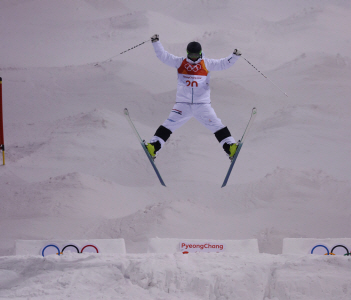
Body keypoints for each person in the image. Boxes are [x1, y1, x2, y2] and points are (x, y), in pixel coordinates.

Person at [146, 34, 242, 160]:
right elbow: (163, 56)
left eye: (196, 55)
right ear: (187, 53)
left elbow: (223, 64)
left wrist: (234, 56)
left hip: (202, 105)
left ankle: (230, 148)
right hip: (182, 104)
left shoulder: (206, 63)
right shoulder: (180, 62)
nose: (194, 58)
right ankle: (153, 146)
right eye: (191, 55)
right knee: (169, 125)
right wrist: (156, 43)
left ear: (200, 53)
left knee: (216, 125)